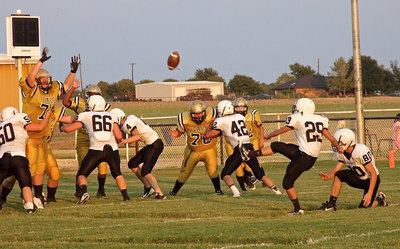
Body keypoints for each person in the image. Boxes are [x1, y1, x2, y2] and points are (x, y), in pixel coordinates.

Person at [242, 98, 342, 214]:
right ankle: (249, 155)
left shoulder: (299, 118)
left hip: (303, 158)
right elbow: (330, 137)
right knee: (278, 146)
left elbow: (283, 130)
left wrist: (269, 135)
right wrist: (339, 148)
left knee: (287, 183)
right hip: (308, 157)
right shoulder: (320, 119)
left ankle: (297, 209)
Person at [18, 46, 79, 208]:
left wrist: (73, 71)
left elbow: (65, 87)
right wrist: (40, 61)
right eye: (42, 80)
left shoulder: (52, 90)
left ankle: (38, 196)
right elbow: (30, 79)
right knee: (29, 168)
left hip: (43, 136)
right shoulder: (31, 91)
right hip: (29, 135)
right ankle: (23, 195)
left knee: (40, 168)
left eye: (47, 79)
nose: (46, 82)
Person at [60, 95, 130, 204]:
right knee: (117, 173)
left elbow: (69, 129)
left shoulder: (86, 115)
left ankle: (83, 192)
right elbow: (119, 136)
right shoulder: (111, 115)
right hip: (112, 149)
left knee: (82, 174)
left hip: (96, 149)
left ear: (92, 105)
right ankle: (126, 197)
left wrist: (62, 127)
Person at [204, 100, 282, 197]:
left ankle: (236, 193)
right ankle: (277, 191)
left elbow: (209, 135)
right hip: (249, 146)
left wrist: (209, 125)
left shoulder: (220, 121)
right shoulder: (240, 117)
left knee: (225, 174)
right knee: (260, 174)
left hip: (239, 148)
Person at [63, 80, 111, 198]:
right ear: (87, 95)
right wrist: (73, 88)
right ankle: (80, 191)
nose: (93, 97)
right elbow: (66, 102)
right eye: (91, 94)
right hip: (84, 139)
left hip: (98, 139)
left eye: (96, 95)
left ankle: (101, 189)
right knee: (82, 166)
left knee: (103, 165)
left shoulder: (105, 106)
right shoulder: (81, 103)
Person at [319, 128, 388, 210]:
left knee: (364, 208)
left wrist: (369, 193)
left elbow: (373, 173)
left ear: (346, 142)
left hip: (371, 180)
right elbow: (338, 167)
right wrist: (329, 176)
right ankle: (331, 204)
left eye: (338, 142)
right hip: (357, 178)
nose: (335, 144)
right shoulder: (341, 153)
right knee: (339, 175)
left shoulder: (360, 151)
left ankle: (379, 200)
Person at [0, 107, 52, 213]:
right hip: (18, 157)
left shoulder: (1, 126)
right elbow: (39, 128)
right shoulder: (19, 117)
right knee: (25, 184)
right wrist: (47, 117)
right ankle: (30, 207)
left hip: (3, 158)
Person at [168, 100, 223, 196]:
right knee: (185, 171)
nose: (198, 116)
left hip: (209, 148)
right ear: (190, 114)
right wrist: (176, 133)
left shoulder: (212, 114)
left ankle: (218, 190)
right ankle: (174, 191)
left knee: (213, 169)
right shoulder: (184, 118)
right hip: (193, 150)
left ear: (205, 112)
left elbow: (219, 129)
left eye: (200, 113)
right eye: (195, 114)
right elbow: (180, 132)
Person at [111, 108, 166, 199]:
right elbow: (137, 136)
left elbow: (137, 136)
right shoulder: (130, 118)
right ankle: (148, 188)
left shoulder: (126, 124)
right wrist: (128, 141)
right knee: (132, 164)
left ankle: (159, 193)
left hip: (154, 145)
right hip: (151, 144)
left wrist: (123, 141)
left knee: (145, 171)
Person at [225, 97, 262, 191]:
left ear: (246, 107)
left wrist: (261, 140)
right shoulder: (229, 117)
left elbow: (260, 127)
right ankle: (243, 187)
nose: (240, 110)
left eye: (242, 107)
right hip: (234, 143)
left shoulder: (252, 115)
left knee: (250, 164)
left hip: (249, 142)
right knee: (238, 166)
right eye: (237, 107)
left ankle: (249, 176)